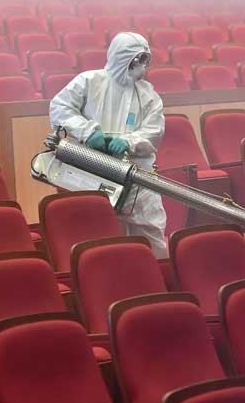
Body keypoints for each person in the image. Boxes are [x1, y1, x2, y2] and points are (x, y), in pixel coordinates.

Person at [49, 32, 167, 258]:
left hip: (137, 177)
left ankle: (155, 284)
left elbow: (154, 132)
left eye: (145, 60)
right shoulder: (89, 81)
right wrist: (88, 131)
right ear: (122, 57)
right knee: (99, 237)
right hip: (93, 172)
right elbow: (60, 108)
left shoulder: (148, 95)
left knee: (149, 235)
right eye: (137, 59)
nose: (142, 66)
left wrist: (129, 142)